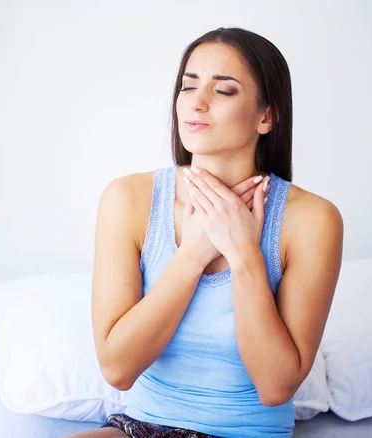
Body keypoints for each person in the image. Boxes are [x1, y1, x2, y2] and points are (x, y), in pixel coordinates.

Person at [66, 27, 343, 438]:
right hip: (139, 427)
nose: (196, 102)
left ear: (266, 115)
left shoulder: (313, 220)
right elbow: (117, 369)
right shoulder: (127, 199)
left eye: (224, 90)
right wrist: (193, 253)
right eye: (187, 86)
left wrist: (245, 254)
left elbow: (276, 387)